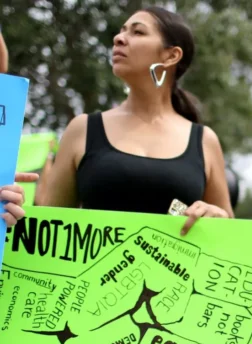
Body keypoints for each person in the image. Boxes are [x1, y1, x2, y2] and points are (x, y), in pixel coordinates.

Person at [40, 7, 233, 235]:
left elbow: (229, 228)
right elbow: (46, 227)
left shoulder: (204, 140)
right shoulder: (82, 129)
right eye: (121, 31)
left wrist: (217, 217)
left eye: (137, 32)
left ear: (171, 56)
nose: (118, 38)